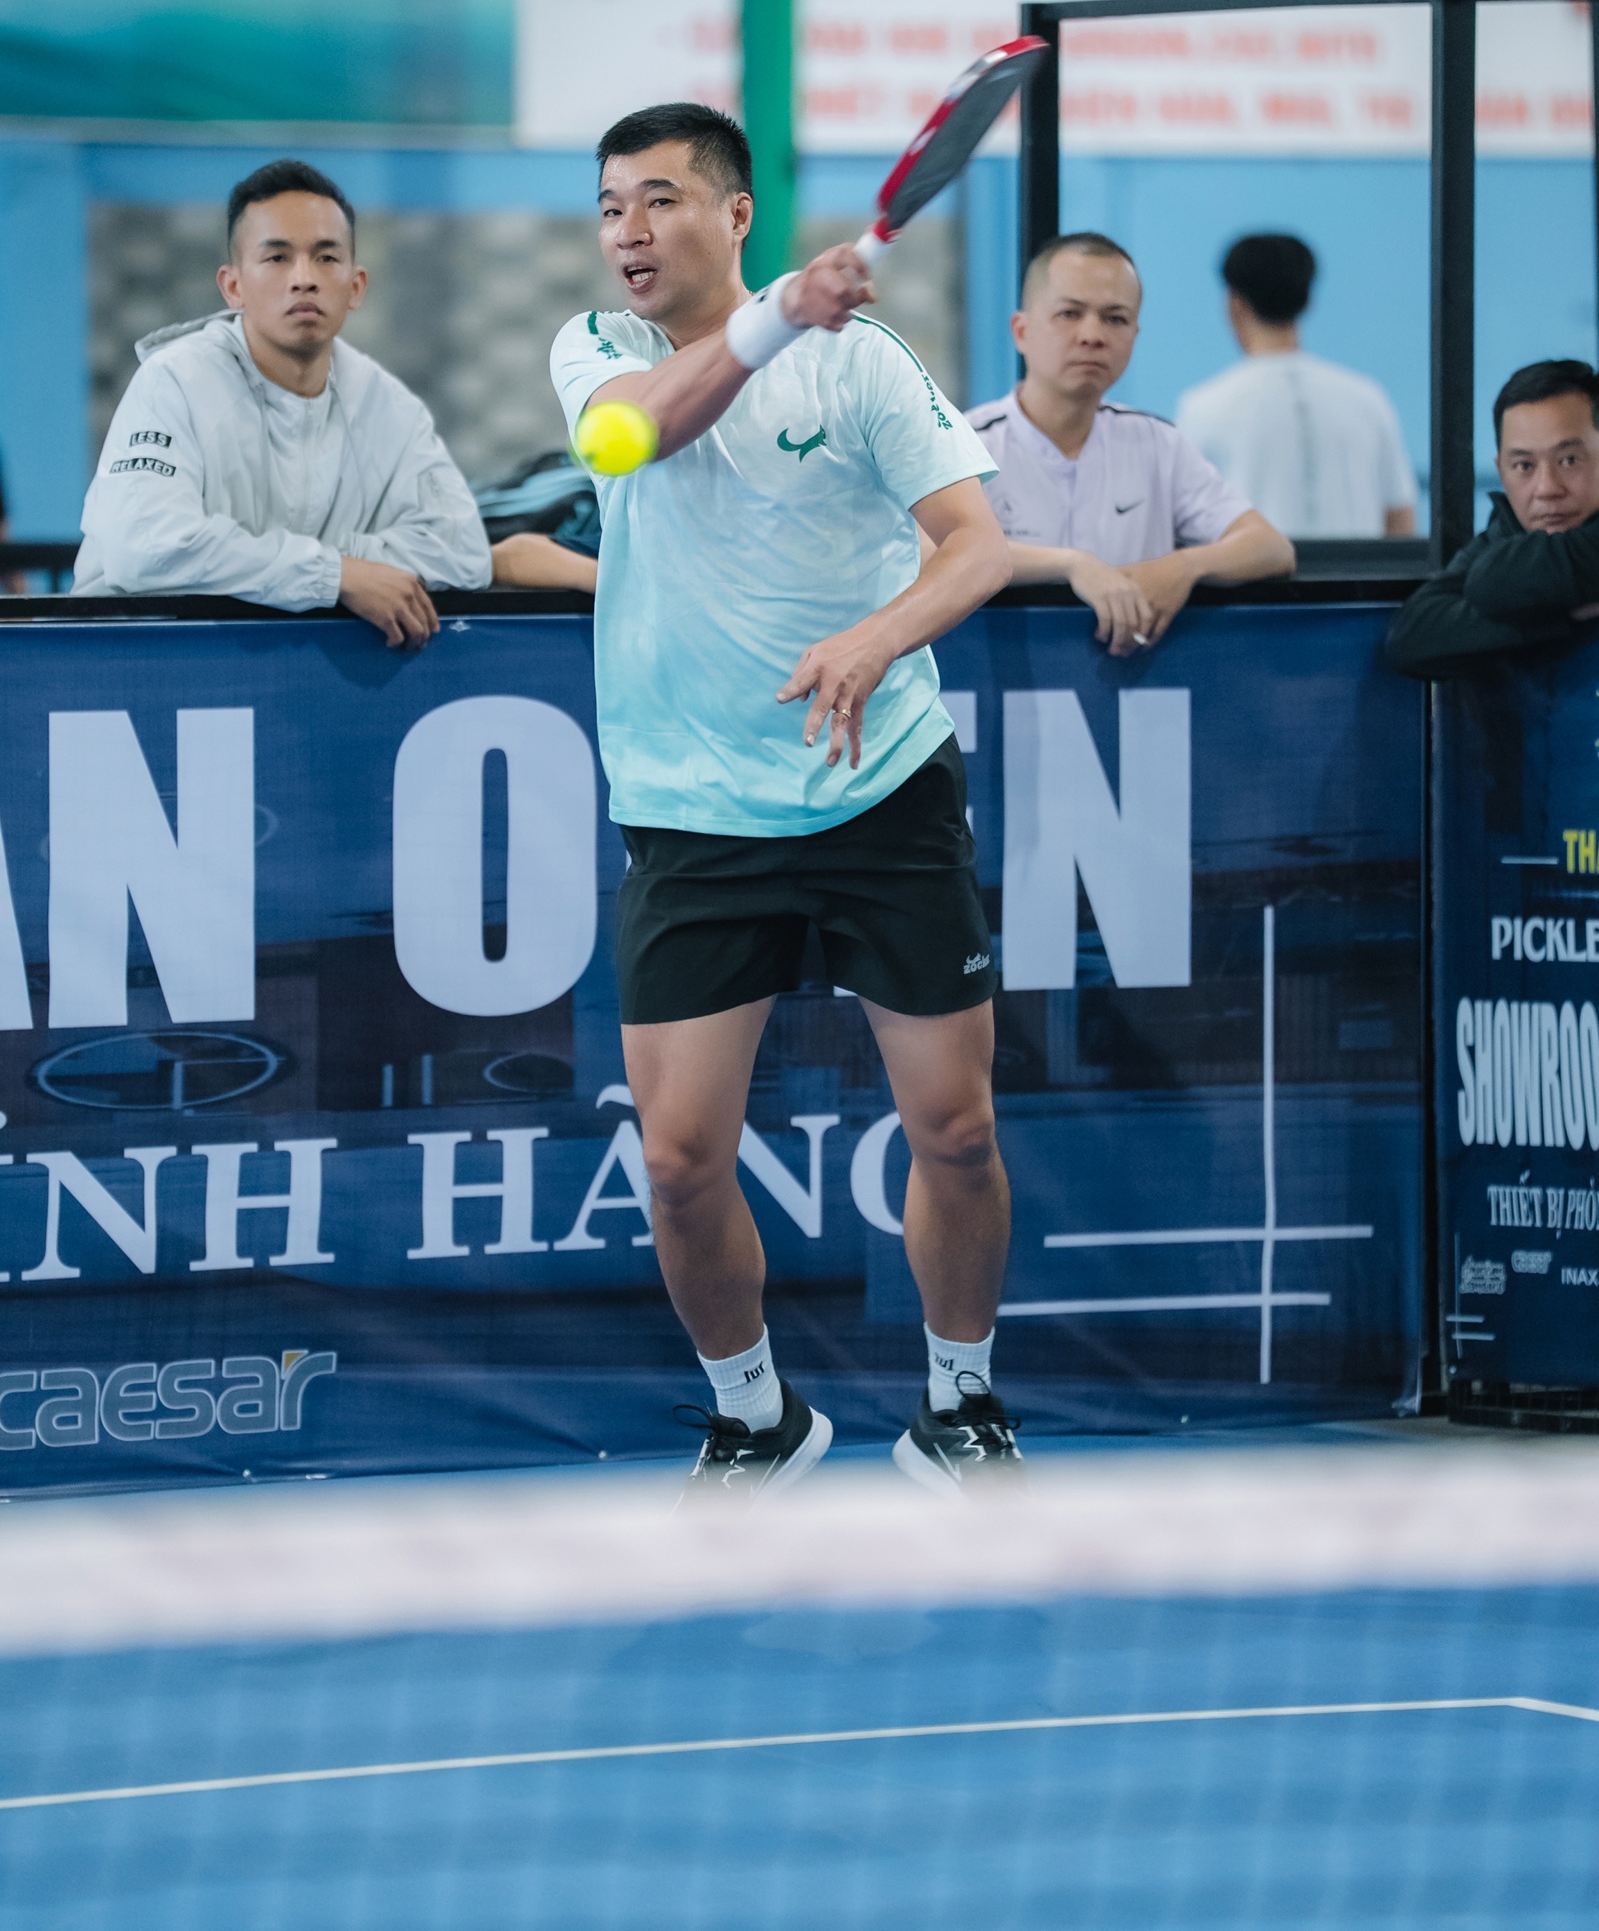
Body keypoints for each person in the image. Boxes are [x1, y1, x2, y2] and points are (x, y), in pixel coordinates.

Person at [550, 100, 1019, 1502]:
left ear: (734, 213)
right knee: (680, 1159)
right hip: (693, 812)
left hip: (880, 787)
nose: (630, 232)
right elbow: (630, 442)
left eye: (660, 199)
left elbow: (975, 547)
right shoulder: (595, 351)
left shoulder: (860, 361)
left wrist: (878, 638)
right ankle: (754, 1416)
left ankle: (960, 1403)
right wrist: (772, 322)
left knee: (956, 1130)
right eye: (611, 207)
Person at [75, 160, 490, 646]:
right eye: (276, 258)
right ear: (233, 286)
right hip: (133, 666)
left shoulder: (387, 405)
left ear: (356, 286)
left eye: (326, 257)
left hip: (289, 670)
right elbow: (145, 547)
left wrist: (336, 566)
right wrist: (335, 575)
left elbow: (464, 554)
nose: (303, 278)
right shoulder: (174, 382)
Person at [967, 231, 1293, 655]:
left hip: (1133, 684)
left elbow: (1271, 549)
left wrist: (1186, 566)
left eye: (1115, 319)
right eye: (1069, 313)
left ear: (1135, 335)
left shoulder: (1157, 443)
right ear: (1021, 331)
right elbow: (928, 552)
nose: (1092, 334)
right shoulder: (967, 444)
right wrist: (1072, 565)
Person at [1176, 232, 1417, 540]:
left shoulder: (1202, 406)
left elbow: (1185, 527)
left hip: (1254, 572)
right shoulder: (1367, 397)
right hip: (1358, 572)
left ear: (1234, 305)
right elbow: (1399, 519)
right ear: (1308, 300)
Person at [1387, 359, 1599, 679]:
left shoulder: (1503, 556)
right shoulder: (1506, 534)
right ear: (1501, 471)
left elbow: (1491, 581)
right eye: (1524, 466)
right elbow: (1412, 636)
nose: (1546, 489)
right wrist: (1561, 613)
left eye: (1569, 460)